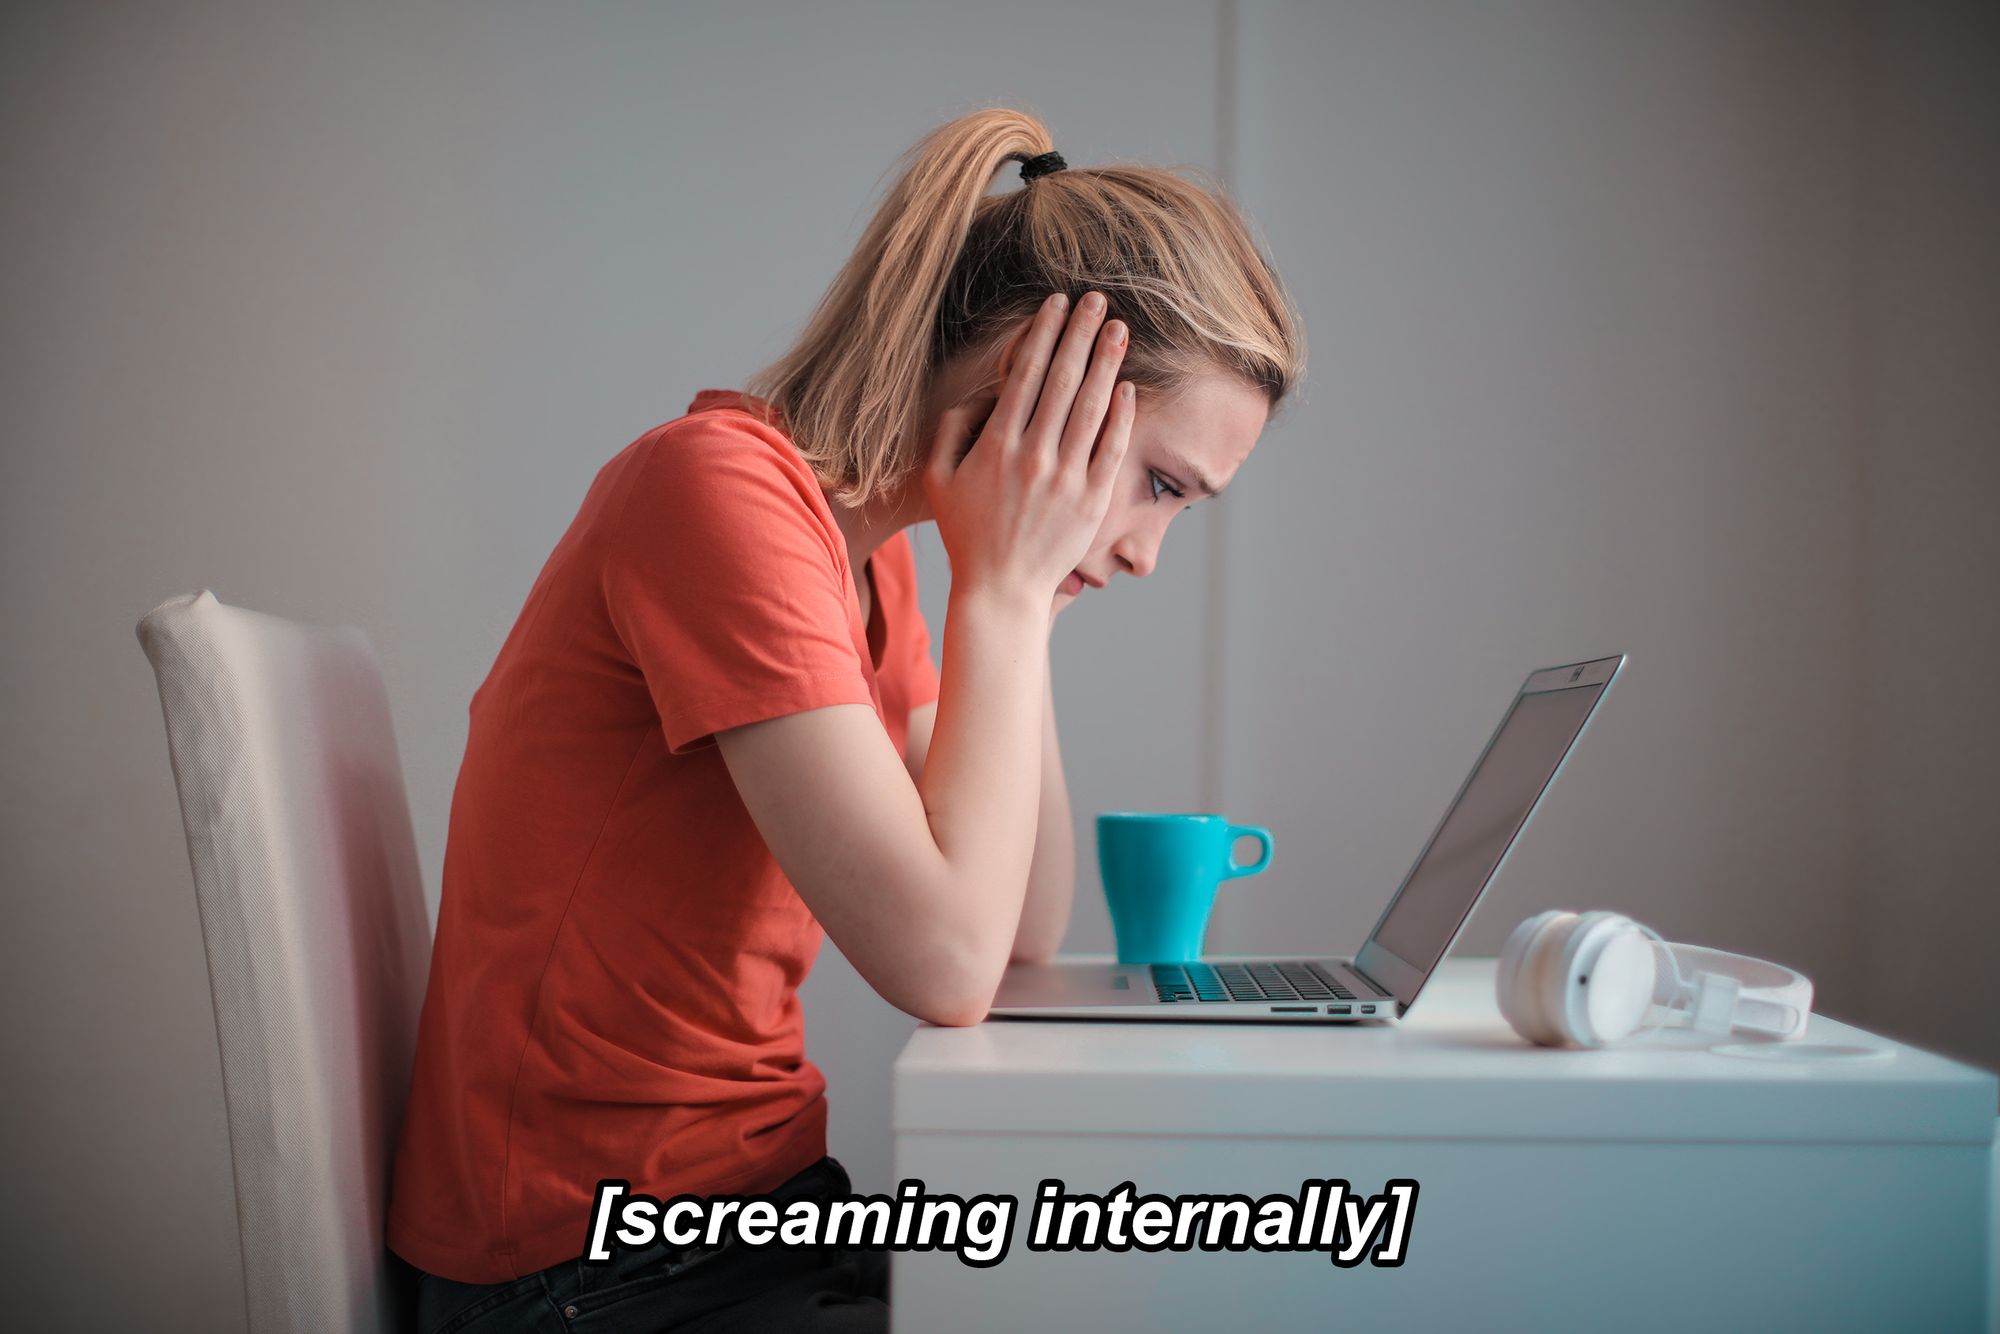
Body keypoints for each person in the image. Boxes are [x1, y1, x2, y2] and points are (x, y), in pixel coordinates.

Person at [386, 106, 1304, 1333]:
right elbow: (946, 967)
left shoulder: (868, 563)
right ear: (1041, 383)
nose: (1148, 550)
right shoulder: (718, 496)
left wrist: (1017, 594)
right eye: (1159, 484)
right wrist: (1007, 592)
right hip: (584, 1267)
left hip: (751, 1218)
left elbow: (1018, 923)